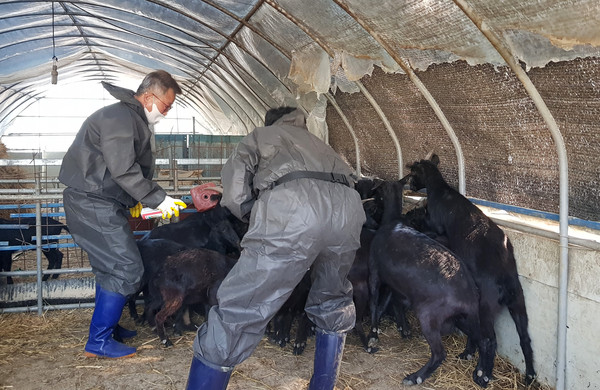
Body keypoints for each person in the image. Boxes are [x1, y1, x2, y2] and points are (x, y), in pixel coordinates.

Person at [185, 106, 366, 389]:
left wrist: (255, 215)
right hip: (348, 211)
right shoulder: (321, 144)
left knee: (240, 308)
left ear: (270, 122)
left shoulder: (262, 136)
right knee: (333, 298)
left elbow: (234, 186)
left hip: (294, 210)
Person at [59, 70, 187, 359]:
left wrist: (138, 201)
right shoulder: (119, 118)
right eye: (166, 105)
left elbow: (117, 170)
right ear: (149, 96)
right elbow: (122, 168)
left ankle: (108, 328)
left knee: (110, 267)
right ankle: (99, 341)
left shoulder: (129, 118)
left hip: (101, 201)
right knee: (127, 267)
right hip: (93, 202)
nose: (165, 112)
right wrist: (158, 198)